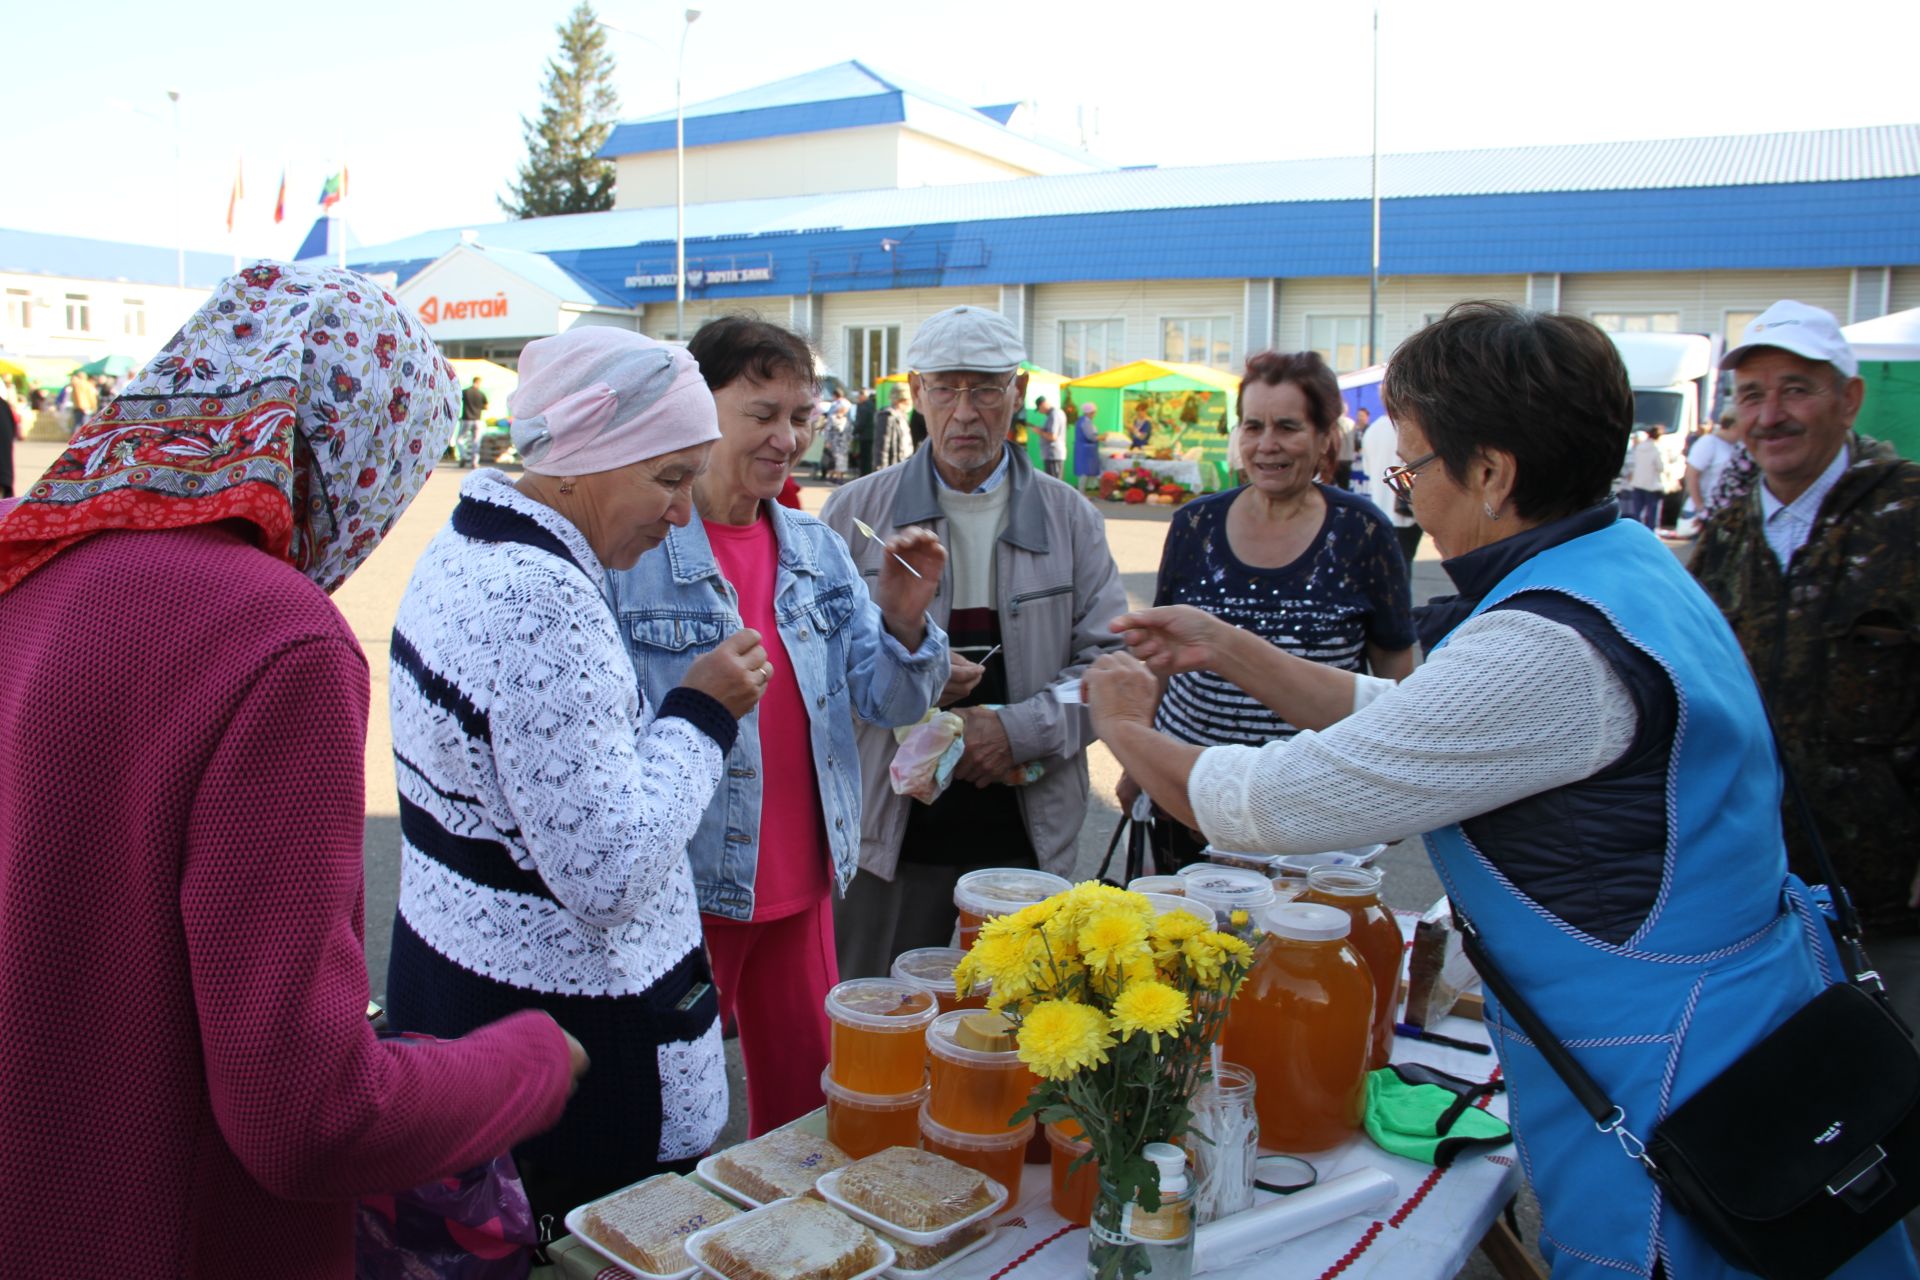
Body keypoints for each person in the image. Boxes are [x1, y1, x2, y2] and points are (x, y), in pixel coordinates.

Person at [1083, 302, 1918, 1280]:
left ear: (1492, 472)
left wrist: (1127, 731)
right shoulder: (1622, 562)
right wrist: (1225, 645)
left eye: (1414, 466)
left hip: (1672, 1092)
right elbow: (1415, 720)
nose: (1409, 497)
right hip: (1739, 1036)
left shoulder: (1547, 642)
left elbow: (1269, 801)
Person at [0, 262, 585, 1278]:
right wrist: (532, 1060)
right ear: (363, 459)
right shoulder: (275, 638)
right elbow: (307, 1113)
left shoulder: (34, 562)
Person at [383, 327, 766, 1220]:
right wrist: (702, 711)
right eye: (669, 478)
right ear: (579, 462)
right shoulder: (544, 601)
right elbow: (609, 873)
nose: (683, 514)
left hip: (465, 993)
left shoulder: (466, 544)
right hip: (571, 1049)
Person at [606, 316, 947, 1136]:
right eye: (762, 413)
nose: (788, 438)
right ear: (696, 409)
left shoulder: (816, 548)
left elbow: (889, 703)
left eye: (801, 415)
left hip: (802, 887)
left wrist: (904, 620)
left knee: (806, 1117)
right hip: (685, 891)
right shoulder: (635, 551)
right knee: (659, 1118)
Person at [823, 305, 1128, 978]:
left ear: (1017, 393)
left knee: (1012, 1045)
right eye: (946, 388)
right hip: (887, 841)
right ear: (915, 393)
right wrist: (910, 657)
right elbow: (820, 670)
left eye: (986, 388)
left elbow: (1112, 665)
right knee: (886, 1027)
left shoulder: (1070, 517)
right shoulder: (854, 514)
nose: (966, 411)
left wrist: (1014, 729)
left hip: (1024, 839)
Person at [1690, 300, 1920, 1025]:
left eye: (1795, 389)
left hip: (1888, 896)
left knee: (1895, 1083)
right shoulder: (1726, 536)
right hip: (1752, 891)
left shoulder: (1907, 514)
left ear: (1848, 400)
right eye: (1751, 395)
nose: (1769, 416)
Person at [1118, 351, 1415, 871]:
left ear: (1326, 437)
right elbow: (1160, 657)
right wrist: (1139, 761)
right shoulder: (1196, 525)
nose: (1266, 445)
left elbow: (1393, 665)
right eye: (1252, 426)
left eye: (1288, 427)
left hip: (1307, 809)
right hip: (1186, 793)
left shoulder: (1361, 532)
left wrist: (1390, 780)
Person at [1361, 405, 1423, 563]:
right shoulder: (1413, 427)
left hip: (1380, 510)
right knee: (1403, 565)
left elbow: (1367, 471)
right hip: (1406, 513)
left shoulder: (1371, 431)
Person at [1683, 407, 1745, 522]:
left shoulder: (1735, 446)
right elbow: (1691, 475)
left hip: (1722, 513)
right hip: (1703, 512)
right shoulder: (1709, 443)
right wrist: (1700, 507)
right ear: (1733, 427)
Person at [1623, 424, 1665, 530]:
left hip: (1637, 482)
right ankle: (1651, 532)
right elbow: (1661, 467)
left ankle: (1636, 531)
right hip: (1652, 484)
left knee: (1638, 511)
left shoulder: (1638, 447)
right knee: (1652, 512)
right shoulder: (1657, 449)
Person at [879, 383, 915, 470]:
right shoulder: (887, 416)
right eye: (908, 400)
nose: (911, 402)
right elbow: (882, 448)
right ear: (900, 400)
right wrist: (881, 472)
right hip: (894, 467)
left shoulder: (903, 416)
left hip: (905, 464)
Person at [823, 384, 854, 480]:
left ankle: (839, 476)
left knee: (841, 459)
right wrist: (827, 441)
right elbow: (828, 429)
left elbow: (849, 431)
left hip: (842, 442)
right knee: (836, 459)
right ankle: (835, 476)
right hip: (835, 441)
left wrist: (850, 441)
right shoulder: (834, 417)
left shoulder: (845, 418)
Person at [1034, 394, 1067, 479]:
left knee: (1055, 483)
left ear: (1042, 404)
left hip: (1053, 454)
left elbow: (1052, 436)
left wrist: (1040, 432)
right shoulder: (1054, 414)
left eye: (1039, 409)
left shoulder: (1054, 414)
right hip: (1052, 454)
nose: (1040, 412)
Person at [459, 373, 488, 466]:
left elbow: (458, 400)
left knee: (460, 439)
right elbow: (486, 407)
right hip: (477, 419)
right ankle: (474, 461)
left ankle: (463, 456)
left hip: (466, 418)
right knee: (476, 440)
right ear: (479, 383)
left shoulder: (466, 392)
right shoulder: (481, 394)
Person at [1073, 399, 1101, 488]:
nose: (1095, 414)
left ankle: (1084, 492)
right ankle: (1082, 493)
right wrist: (1102, 437)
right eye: (1094, 412)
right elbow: (1091, 437)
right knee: (1084, 471)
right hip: (1085, 451)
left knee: (1084, 471)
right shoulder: (1086, 422)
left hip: (1082, 450)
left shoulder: (1081, 420)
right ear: (1090, 412)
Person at [852, 387, 877, 475]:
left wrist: (854, 431)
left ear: (863, 395)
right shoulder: (872, 405)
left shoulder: (864, 407)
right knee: (868, 457)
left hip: (865, 436)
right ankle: (867, 474)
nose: (858, 398)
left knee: (865, 458)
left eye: (859, 396)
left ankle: (864, 475)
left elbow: (861, 422)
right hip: (871, 435)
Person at [66, 368, 98, 433]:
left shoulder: (75, 385)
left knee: (77, 423)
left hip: (77, 407)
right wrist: (93, 407)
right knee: (84, 424)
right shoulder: (85, 385)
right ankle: (79, 440)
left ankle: (75, 439)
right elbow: (90, 397)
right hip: (85, 407)